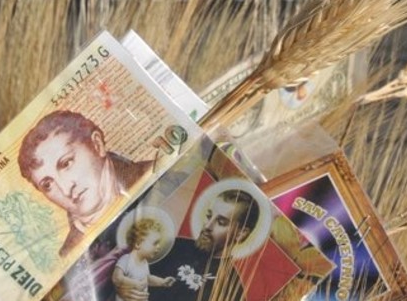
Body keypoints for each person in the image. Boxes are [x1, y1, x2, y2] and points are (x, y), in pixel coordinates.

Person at [18, 110, 154, 257]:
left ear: (97, 145)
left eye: (66, 163)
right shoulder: (69, 255)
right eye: (47, 185)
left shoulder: (160, 171)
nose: (66, 189)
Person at [143, 187, 261, 301]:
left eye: (221, 222)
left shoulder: (231, 290)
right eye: (209, 216)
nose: (207, 226)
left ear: (241, 233)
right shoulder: (175, 246)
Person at [112, 217, 176, 301]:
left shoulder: (144, 262)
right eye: (155, 243)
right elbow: (116, 278)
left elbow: (148, 279)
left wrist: (162, 282)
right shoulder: (126, 260)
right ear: (138, 244)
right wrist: (134, 284)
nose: (159, 247)